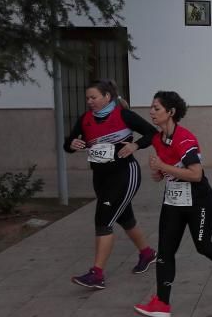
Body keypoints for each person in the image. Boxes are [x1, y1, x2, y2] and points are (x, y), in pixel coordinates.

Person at [134, 91, 212, 317]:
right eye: (152, 108)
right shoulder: (158, 139)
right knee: (165, 251)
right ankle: (162, 303)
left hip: (199, 199)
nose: (151, 112)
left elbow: (196, 174)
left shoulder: (184, 139)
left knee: (202, 245)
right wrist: (158, 172)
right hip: (174, 200)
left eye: (156, 108)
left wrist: (164, 168)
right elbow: (164, 171)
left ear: (171, 112)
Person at [65, 79, 158, 289]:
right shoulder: (86, 119)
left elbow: (153, 133)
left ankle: (97, 274)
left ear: (107, 97)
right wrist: (71, 143)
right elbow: (68, 143)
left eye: (93, 97)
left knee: (103, 219)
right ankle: (147, 253)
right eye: (87, 98)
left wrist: (135, 145)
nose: (89, 101)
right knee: (125, 219)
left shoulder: (123, 114)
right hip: (100, 177)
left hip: (125, 174)